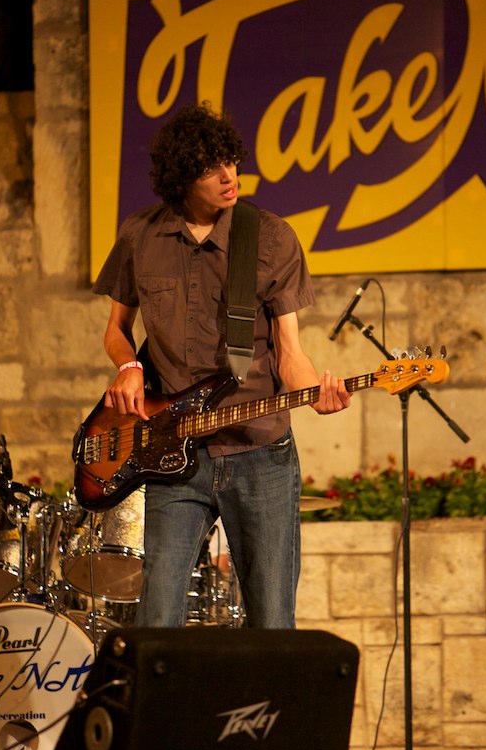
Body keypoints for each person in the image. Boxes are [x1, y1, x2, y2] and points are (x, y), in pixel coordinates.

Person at [92, 101, 351, 628]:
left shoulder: (271, 237)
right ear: (183, 177)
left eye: (231, 160)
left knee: (272, 621)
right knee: (157, 621)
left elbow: (290, 353)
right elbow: (117, 331)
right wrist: (129, 368)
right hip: (173, 453)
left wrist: (319, 394)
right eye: (212, 167)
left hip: (259, 453)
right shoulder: (139, 236)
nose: (229, 175)